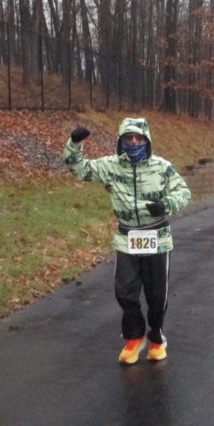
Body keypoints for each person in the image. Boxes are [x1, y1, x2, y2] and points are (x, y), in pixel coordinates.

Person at [64, 117, 191, 365]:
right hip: (127, 238)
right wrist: (74, 143)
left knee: (157, 295)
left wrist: (165, 205)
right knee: (125, 292)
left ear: (146, 140)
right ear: (121, 140)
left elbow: (183, 192)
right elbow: (79, 169)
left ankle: (156, 337)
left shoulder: (161, 167)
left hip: (157, 238)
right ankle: (134, 337)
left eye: (138, 138)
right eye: (128, 138)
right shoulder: (111, 166)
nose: (133, 142)